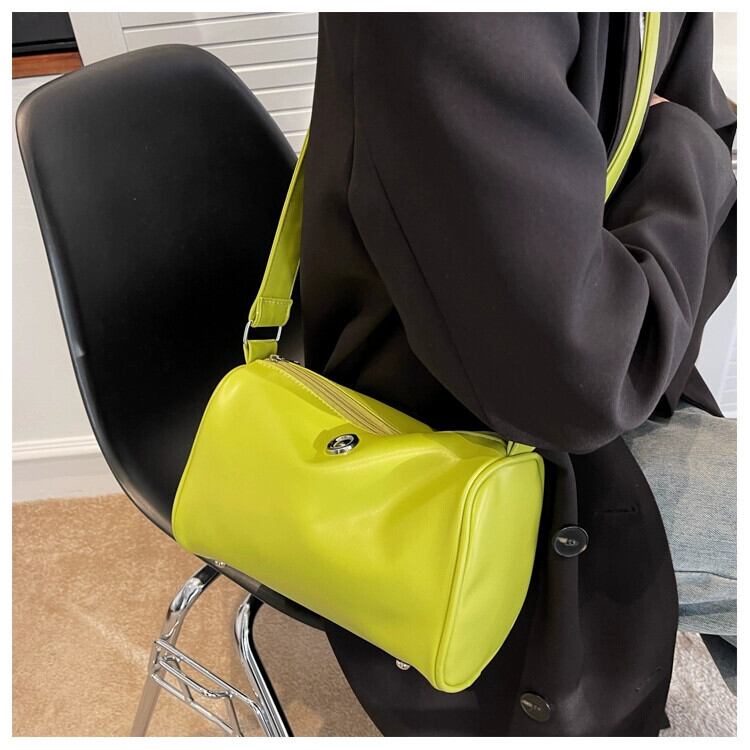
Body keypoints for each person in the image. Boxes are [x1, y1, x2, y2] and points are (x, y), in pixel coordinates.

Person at [297, 12, 737, 735]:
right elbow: (581, 385)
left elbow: (698, 116)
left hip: (576, 393)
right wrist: (683, 152)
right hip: (474, 441)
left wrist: (679, 150)